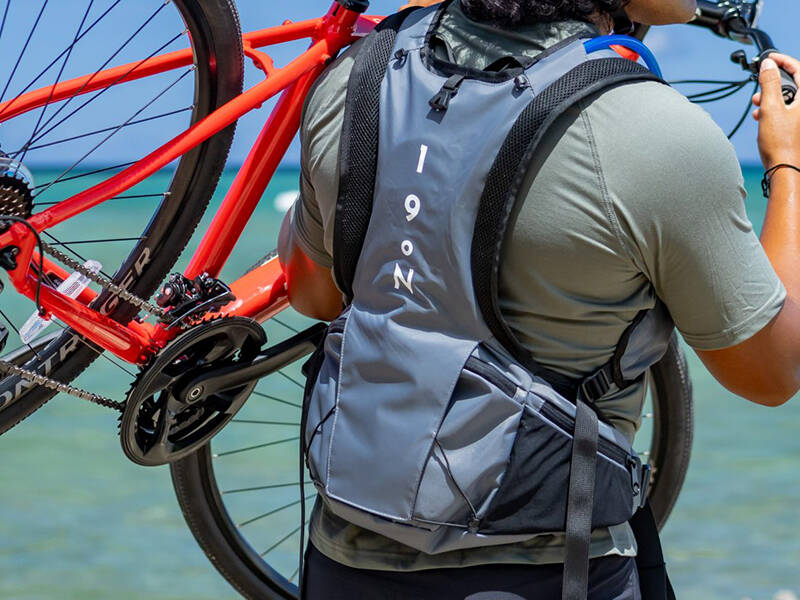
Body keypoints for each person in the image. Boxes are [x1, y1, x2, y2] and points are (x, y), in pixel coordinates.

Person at [278, 0, 800, 597]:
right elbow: (772, 370)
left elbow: (315, 295)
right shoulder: (656, 135)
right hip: (552, 572)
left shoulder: (356, 76)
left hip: (341, 559)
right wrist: (789, 166)